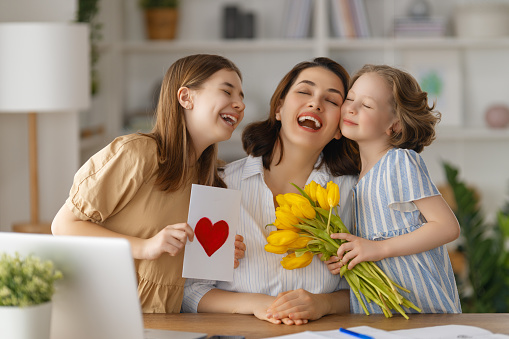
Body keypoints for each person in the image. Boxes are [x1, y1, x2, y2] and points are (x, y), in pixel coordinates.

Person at [51, 54, 247, 313]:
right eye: (227, 91)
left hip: (167, 318)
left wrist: (217, 255)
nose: (240, 104)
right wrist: (145, 246)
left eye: (242, 97)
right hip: (104, 313)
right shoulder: (136, 153)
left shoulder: (209, 178)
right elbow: (64, 225)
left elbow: (180, 267)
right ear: (186, 98)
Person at [183, 57, 360, 325]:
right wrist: (257, 304)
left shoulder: (353, 191)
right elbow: (191, 292)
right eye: (304, 91)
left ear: (339, 128)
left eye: (332, 100)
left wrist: (324, 304)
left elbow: (377, 289)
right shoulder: (220, 183)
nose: (315, 103)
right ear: (279, 107)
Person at [327, 64, 461, 314]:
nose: (352, 108)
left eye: (366, 105)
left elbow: (447, 227)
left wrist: (378, 248)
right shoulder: (355, 181)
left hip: (423, 311)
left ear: (395, 124)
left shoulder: (398, 162)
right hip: (385, 312)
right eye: (350, 99)